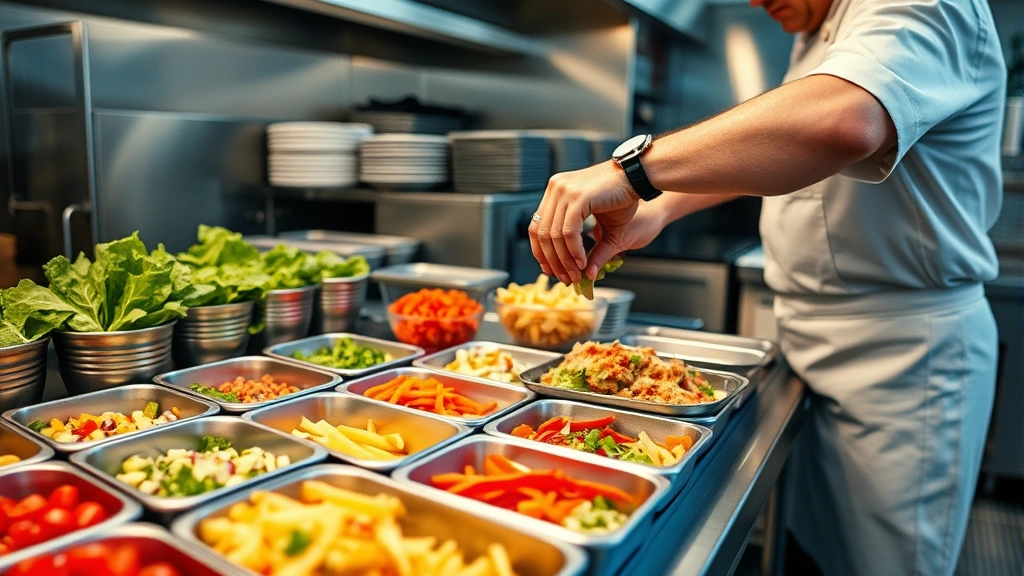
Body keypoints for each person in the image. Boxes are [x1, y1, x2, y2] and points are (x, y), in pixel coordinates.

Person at [528, 0, 1005, 574]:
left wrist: (630, 172)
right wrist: (657, 208)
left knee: (887, 563)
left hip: (902, 355)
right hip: (810, 338)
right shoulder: (816, 29)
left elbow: (842, 120)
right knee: (821, 552)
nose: (753, 1)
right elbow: (779, 147)